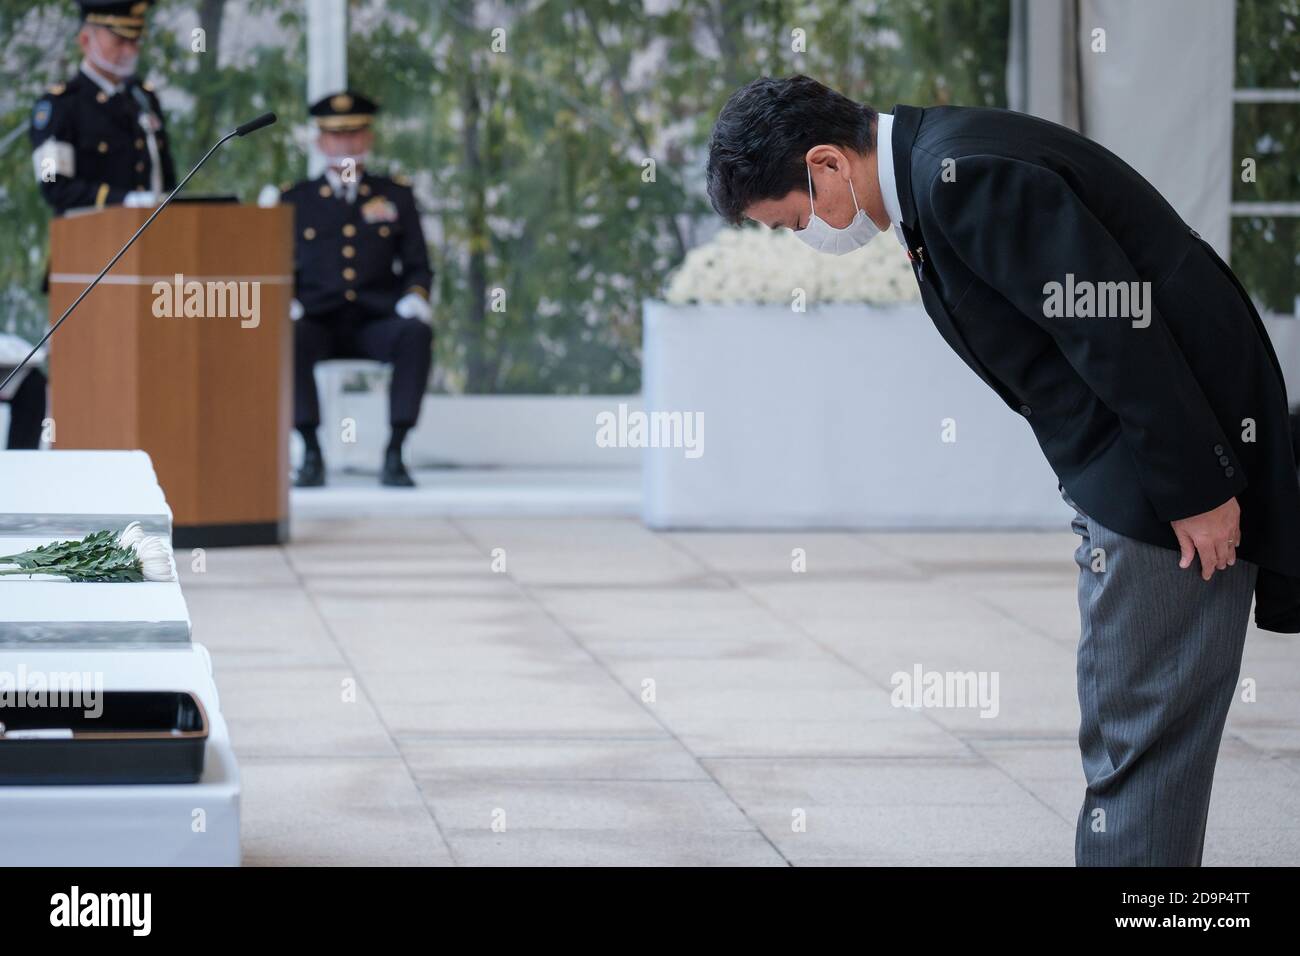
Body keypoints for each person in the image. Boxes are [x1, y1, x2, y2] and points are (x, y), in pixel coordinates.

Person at [705, 75, 1300, 866]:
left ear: (826, 164)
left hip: (1169, 467)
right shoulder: (934, 173)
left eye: (790, 221)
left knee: (1144, 731)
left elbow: (1116, 330)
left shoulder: (962, 176)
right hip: (1136, 462)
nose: (803, 235)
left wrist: (1198, 489)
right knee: (1137, 725)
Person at [278, 91, 434, 488]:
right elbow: (277, 267)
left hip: (376, 320)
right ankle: (310, 451)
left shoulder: (395, 195)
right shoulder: (295, 200)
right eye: (336, 136)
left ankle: (395, 450)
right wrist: (286, 301)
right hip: (318, 320)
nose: (345, 144)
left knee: (416, 334)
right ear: (320, 142)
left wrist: (415, 298)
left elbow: (418, 264)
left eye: (354, 135)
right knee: (288, 337)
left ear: (368, 139)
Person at [29, 0, 175, 216]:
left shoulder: (143, 98)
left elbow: (167, 177)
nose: (130, 50)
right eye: (120, 40)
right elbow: (54, 185)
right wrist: (125, 200)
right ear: (86, 40)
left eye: (134, 40)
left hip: (152, 236)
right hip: (91, 238)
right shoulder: (60, 105)